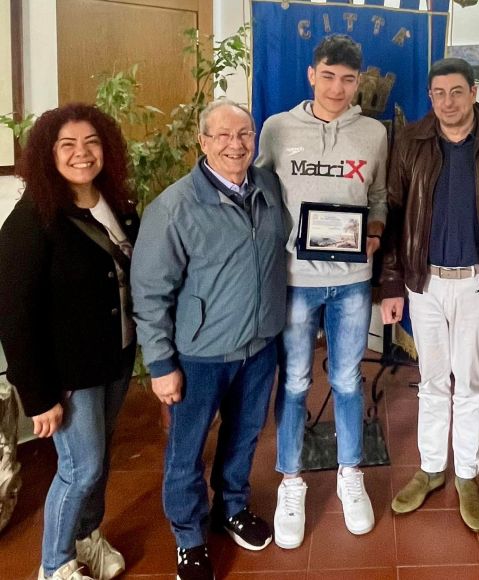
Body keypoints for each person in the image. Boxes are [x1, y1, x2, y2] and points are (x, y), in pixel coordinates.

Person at [131, 99, 287, 580]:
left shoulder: (268, 186)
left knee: (244, 435)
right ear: (202, 142)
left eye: (244, 134)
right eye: (222, 135)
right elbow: (150, 293)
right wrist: (161, 365)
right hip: (199, 354)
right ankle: (189, 537)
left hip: (260, 346)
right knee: (187, 449)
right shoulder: (173, 207)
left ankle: (231, 507)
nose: (235, 145)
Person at [381, 57, 479, 532]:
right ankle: (431, 469)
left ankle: (466, 474)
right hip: (423, 283)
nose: (448, 102)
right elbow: (393, 213)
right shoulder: (410, 142)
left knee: (469, 384)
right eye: (439, 94)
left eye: (456, 92)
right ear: (431, 98)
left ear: (473, 92)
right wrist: (391, 283)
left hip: (477, 285)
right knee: (431, 382)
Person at [255, 34, 388, 549]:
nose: (337, 88)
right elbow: (259, 195)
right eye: (328, 76)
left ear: (359, 82)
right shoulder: (277, 128)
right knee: (294, 382)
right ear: (312, 75)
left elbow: (378, 195)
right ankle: (291, 482)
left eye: (348, 80)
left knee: (348, 379)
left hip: (351, 280)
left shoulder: (374, 133)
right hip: (295, 280)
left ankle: (350, 474)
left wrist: (374, 229)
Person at [0, 104, 138, 580]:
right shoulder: (32, 220)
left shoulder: (117, 204)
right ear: (48, 154)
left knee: (98, 460)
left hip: (116, 358)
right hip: (70, 373)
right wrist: (38, 397)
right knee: (81, 468)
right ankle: (55, 565)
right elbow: (14, 318)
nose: (82, 153)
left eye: (92, 142)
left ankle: (86, 537)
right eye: (68, 145)